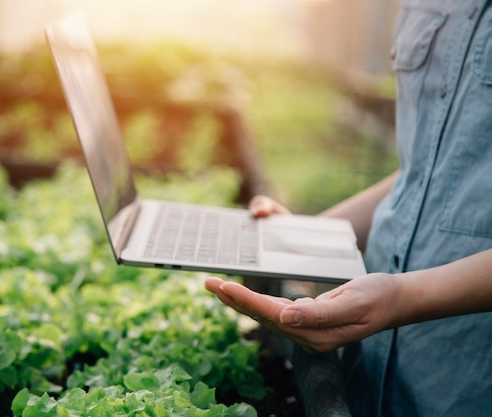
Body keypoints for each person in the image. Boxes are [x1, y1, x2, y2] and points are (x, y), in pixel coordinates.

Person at [205, 1, 492, 416]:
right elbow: (437, 169)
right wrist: (313, 232)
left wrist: (401, 298)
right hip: (370, 371)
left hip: (463, 381)